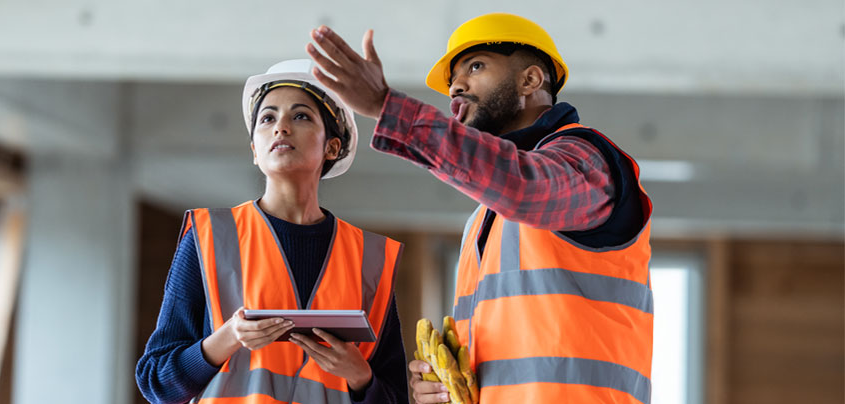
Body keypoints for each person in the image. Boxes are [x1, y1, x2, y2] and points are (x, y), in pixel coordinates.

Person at [302, 12, 654, 404]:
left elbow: (524, 185)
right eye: (453, 80)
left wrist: (387, 106)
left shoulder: (588, 162)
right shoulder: (485, 220)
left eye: (476, 66)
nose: (456, 86)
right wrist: (442, 388)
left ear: (531, 80)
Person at [136, 59, 409, 404]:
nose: (280, 127)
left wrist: (360, 376)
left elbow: (395, 397)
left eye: (300, 116)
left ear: (332, 147)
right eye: (267, 118)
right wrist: (228, 337)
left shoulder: (370, 259)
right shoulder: (209, 238)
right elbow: (156, 384)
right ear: (254, 151)